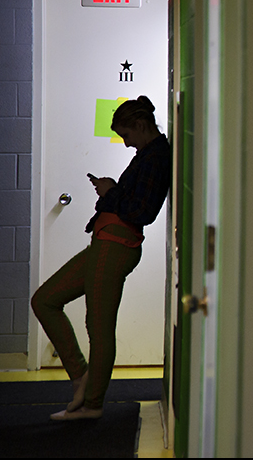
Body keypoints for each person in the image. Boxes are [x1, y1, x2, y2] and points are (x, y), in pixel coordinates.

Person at [31, 96, 171, 421]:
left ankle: (92, 402)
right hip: (106, 243)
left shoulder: (156, 157)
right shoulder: (148, 154)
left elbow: (142, 212)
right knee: (45, 300)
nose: (125, 143)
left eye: (126, 135)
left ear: (140, 125)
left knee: (99, 326)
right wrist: (110, 191)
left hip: (116, 245)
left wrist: (110, 191)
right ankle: (82, 379)